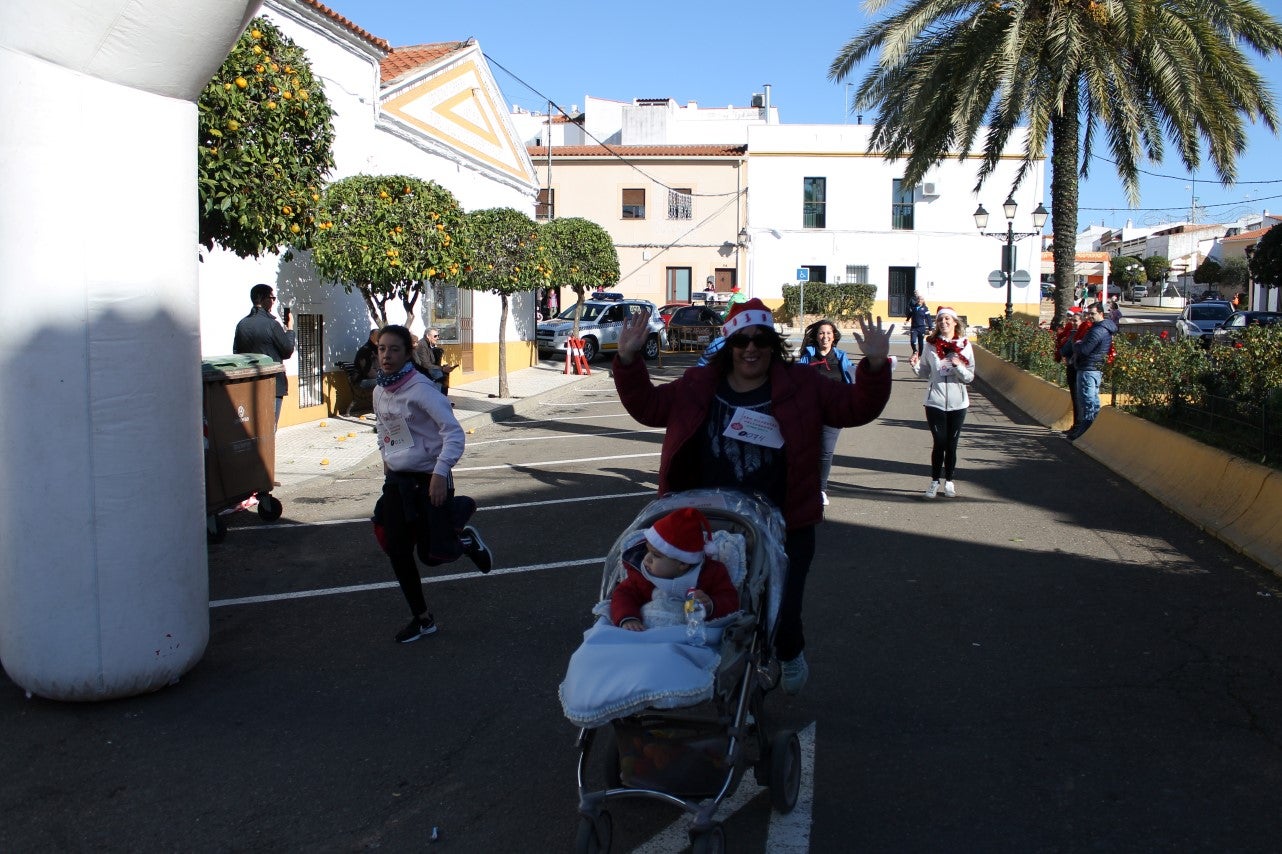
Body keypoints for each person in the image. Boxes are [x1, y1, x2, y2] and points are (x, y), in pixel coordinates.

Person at [612, 298, 893, 694]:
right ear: (728, 345)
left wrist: (876, 366)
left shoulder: (802, 384)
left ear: (772, 345)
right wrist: (627, 359)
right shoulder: (698, 384)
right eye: (741, 341)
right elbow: (649, 407)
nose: (751, 348)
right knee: (705, 601)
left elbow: (855, 408)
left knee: (783, 610)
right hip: (709, 520)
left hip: (786, 519)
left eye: (760, 340)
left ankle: (788, 650)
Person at [372, 324, 493, 644]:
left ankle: (463, 535)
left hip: (430, 478)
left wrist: (440, 474)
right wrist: (386, 458)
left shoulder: (422, 390)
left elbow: (453, 434)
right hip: (398, 481)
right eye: (382, 349)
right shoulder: (380, 390)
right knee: (397, 549)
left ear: (407, 354)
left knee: (432, 554)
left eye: (394, 349)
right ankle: (423, 619)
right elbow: (383, 428)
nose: (386, 355)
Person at [610, 507, 740, 631]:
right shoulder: (641, 576)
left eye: (656, 555)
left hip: (689, 633)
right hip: (648, 631)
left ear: (683, 564)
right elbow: (623, 594)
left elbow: (730, 599)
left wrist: (711, 605)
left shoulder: (711, 574)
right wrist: (628, 617)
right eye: (648, 551)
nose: (647, 558)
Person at [909, 308, 974, 498]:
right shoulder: (930, 345)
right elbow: (924, 372)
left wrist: (958, 366)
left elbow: (969, 377)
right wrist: (915, 365)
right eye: (940, 320)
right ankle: (934, 481)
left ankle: (950, 482)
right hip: (934, 402)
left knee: (951, 444)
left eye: (947, 319)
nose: (943, 322)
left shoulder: (965, 345)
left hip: (958, 404)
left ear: (955, 322)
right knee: (939, 442)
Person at [796, 319, 857, 506]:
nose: (825, 336)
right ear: (816, 336)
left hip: (833, 412)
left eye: (828, 333)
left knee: (826, 451)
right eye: (821, 333)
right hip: (810, 412)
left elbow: (852, 379)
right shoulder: (807, 356)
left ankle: (820, 490)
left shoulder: (841, 357)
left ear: (834, 336)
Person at [232, 283, 295, 429]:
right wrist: (290, 329)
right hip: (272, 384)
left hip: (249, 384)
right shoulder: (272, 325)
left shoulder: (242, 325)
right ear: (261, 298)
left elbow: (236, 352)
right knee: (269, 429)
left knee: (252, 429)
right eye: (272, 298)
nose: (273, 301)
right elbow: (287, 351)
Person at [1065, 302, 1117, 441]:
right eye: (1088, 314)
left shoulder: (1098, 330)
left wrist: (1077, 344)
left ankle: (1085, 431)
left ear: (1101, 313)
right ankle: (1085, 429)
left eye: (1092, 314)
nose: (1089, 317)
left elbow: (1084, 350)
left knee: (1088, 401)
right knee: (1090, 400)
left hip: (1089, 368)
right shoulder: (1101, 328)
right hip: (1092, 368)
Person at [1052, 307, 1085, 434]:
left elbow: (1067, 348)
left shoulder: (1079, 334)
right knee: (1075, 398)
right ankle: (1076, 425)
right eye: (1072, 320)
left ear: (1082, 321)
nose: (1073, 322)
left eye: (1076, 320)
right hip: (1072, 366)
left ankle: (1078, 426)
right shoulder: (1073, 333)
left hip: (1076, 367)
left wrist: (1062, 351)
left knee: (1078, 398)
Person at [413, 327, 457, 395]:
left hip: (427, 368)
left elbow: (431, 361)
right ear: (428, 336)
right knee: (439, 374)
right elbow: (426, 364)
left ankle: (441, 396)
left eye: (438, 336)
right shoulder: (422, 345)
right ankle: (437, 396)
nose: (437, 338)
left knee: (444, 373)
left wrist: (443, 367)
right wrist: (442, 368)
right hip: (422, 370)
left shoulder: (428, 344)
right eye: (435, 336)